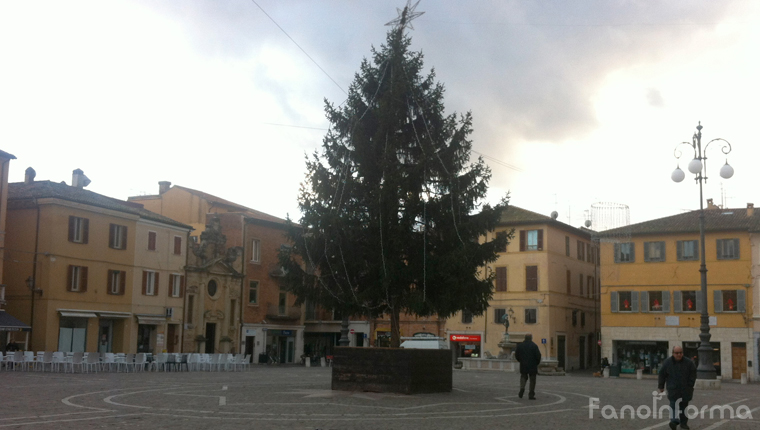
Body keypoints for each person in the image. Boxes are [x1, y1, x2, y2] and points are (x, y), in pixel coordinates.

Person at [658, 346, 697, 430]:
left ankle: (683, 423)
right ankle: (674, 421)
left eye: (680, 353)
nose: (679, 355)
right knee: (673, 405)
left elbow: (693, 374)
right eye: (677, 353)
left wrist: (690, 384)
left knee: (684, 407)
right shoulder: (667, 362)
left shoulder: (689, 363)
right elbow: (662, 374)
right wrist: (661, 386)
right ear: (673, 353)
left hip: (685, 389)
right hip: (673, 389)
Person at [515, 333, 541, 400]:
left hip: (523, 364)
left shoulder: (520, 346)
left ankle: (522, 388)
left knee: (523, 376)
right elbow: (538, 356)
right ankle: (531, 394)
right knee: (532, 380)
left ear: (525, 338)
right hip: (532, 365)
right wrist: (536, 363)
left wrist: (520, 360)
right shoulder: (534, 346)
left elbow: (516, 355)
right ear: (531, 338)